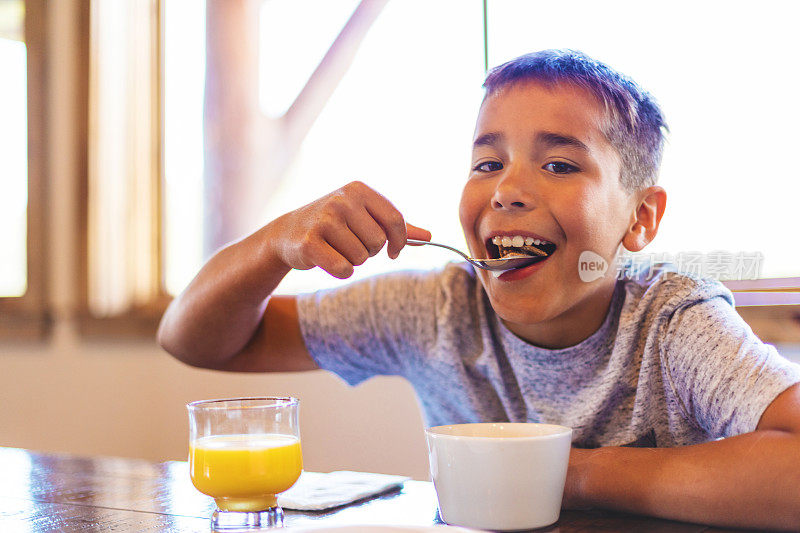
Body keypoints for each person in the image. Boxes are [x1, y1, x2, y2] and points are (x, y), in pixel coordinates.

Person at [158, 49, 800, 530]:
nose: (507, 189)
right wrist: (272, 245)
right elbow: (197, 341)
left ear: (641, 218)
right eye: (487, 163)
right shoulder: (435, 308)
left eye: (558, 165)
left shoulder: (671, 319)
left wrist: (559, 473)